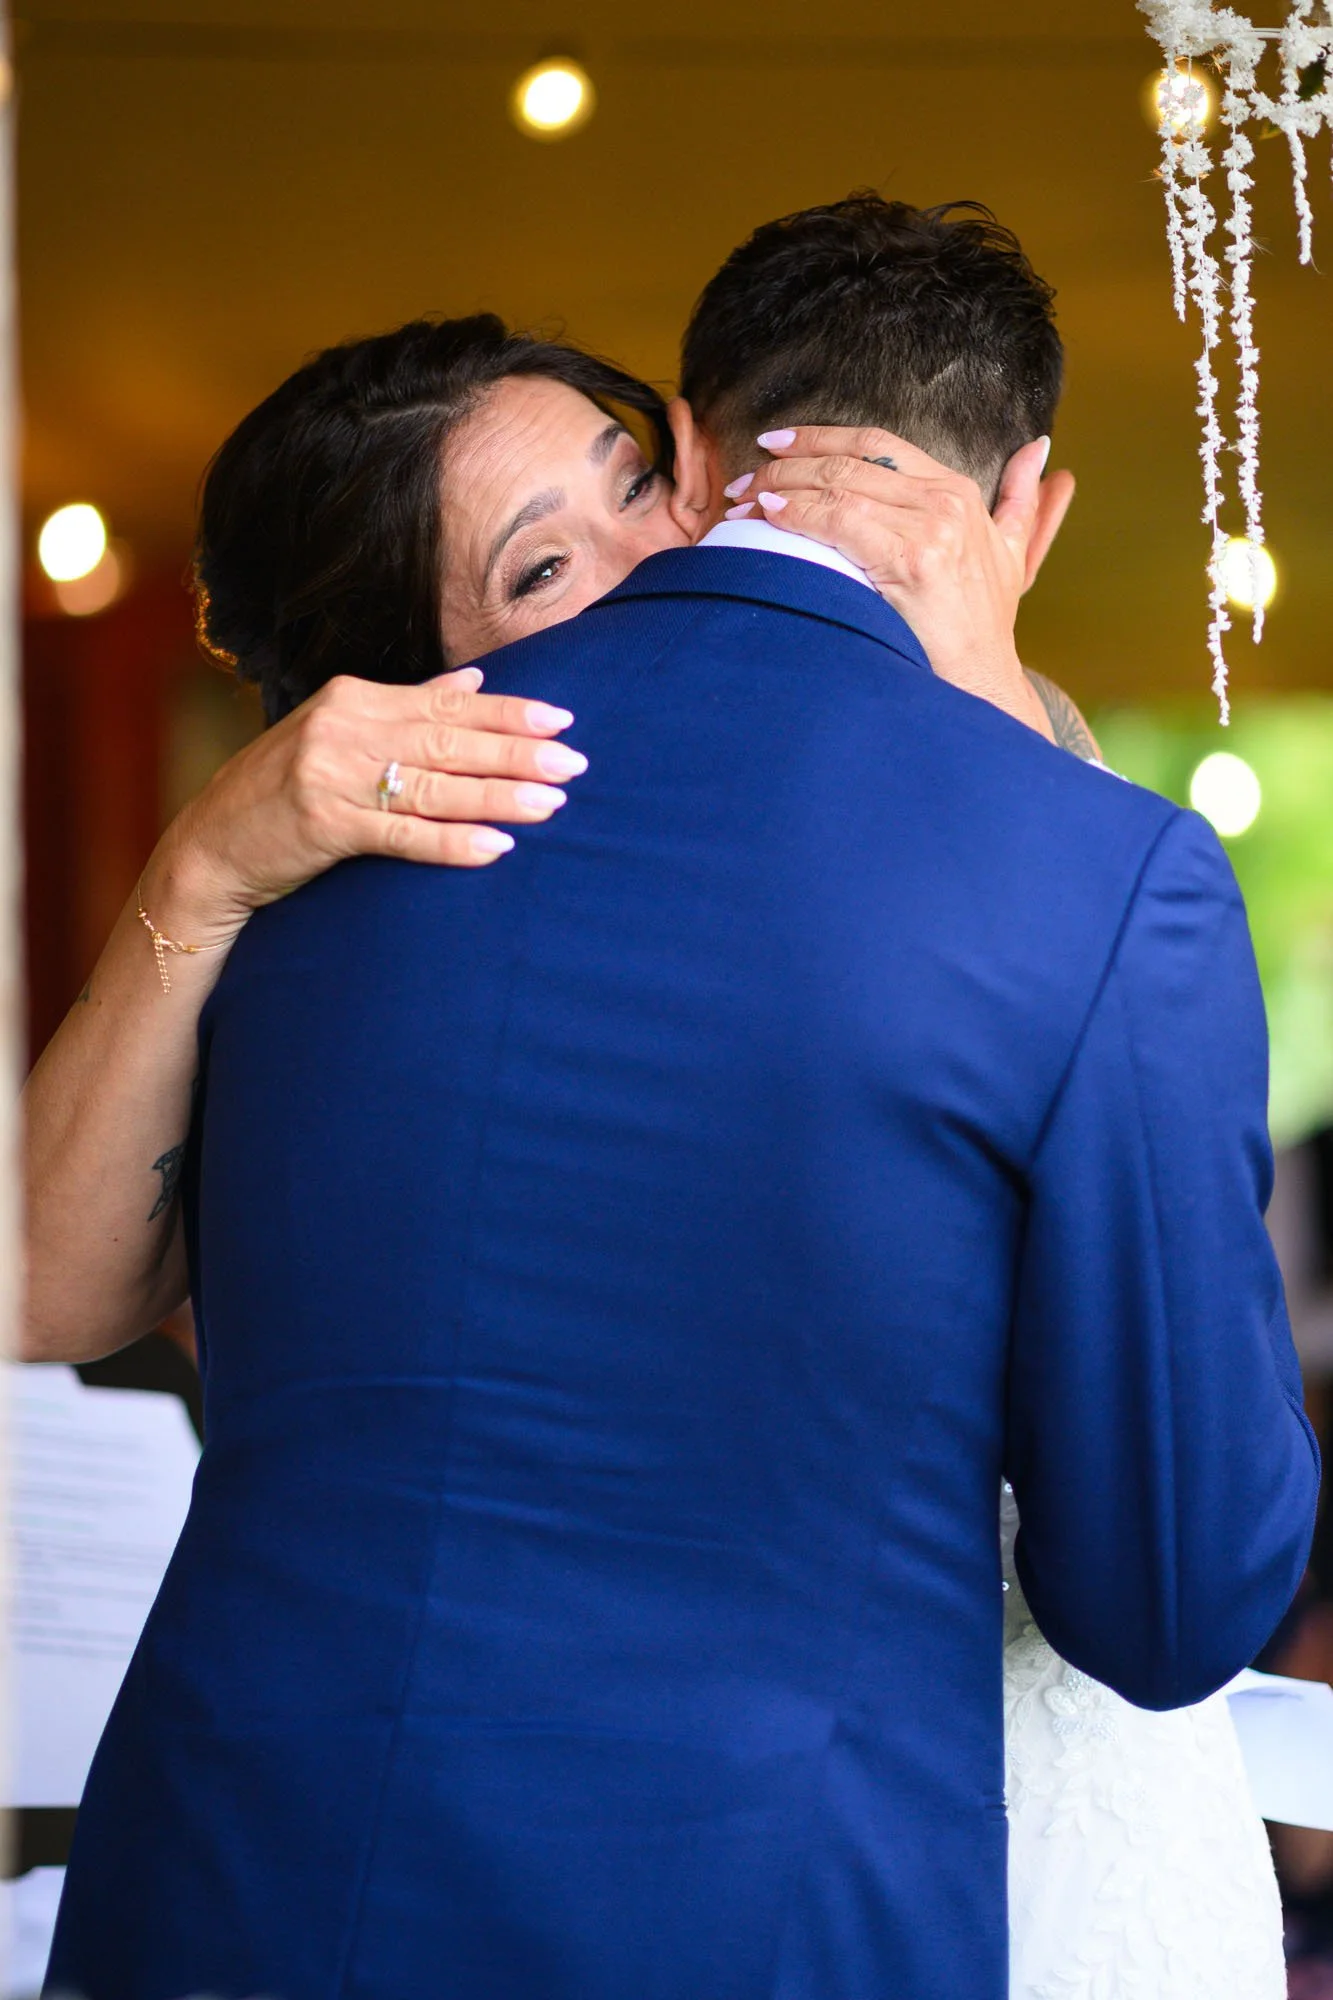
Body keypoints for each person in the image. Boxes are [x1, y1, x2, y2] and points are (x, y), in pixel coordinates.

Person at [40, 199, 1318, 1999]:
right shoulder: (1083, 873)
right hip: (748, 1910)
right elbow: (1176, 1593)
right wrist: (201, 866)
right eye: (546, 567)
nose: (664, 553)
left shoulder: (333, 871)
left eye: (634, 476)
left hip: (234, 1884)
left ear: (700, 452)